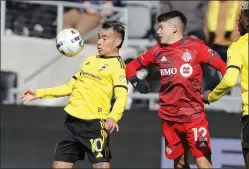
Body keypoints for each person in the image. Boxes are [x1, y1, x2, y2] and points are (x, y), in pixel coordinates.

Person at [126, 11, 227, 169]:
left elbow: (223, 67)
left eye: (161, 27)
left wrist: (216, 92)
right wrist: (135, 81)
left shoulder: (197, 47)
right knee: (179, 164)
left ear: (174, 28)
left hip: (194, 118)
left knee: (203, 162)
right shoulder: (157, 51)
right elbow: (130, 67)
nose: (158, 32)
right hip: (170, 119)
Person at [20, 20, 128, 169]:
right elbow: (70, 87)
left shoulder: (118, 67)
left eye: (104, 38)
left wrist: (113, 116)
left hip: (95, 126)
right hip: (72, 124)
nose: (99, 42)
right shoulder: (89, 61)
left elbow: (122, 96)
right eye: (98, 37)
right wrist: (39, 93)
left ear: (118, 41)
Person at [203, 1, 248, 168]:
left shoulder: (238, 46)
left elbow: (229, 80)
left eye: (239, 20)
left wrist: (211, 96)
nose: (237, 24)